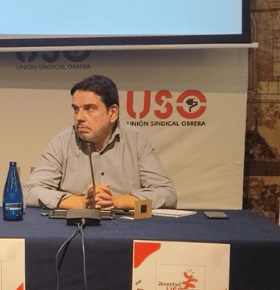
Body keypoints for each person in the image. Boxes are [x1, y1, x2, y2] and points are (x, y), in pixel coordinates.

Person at [23, 75, 176, 210]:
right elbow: (29, 191)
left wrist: (116, 201)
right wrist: (80, 202)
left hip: (125, 226)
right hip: (75, 226)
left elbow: (167, 194)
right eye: (76, 109)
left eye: (89, 109)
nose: (79, 117)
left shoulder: (137, 142)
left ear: (112, 113)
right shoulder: (61, 143)